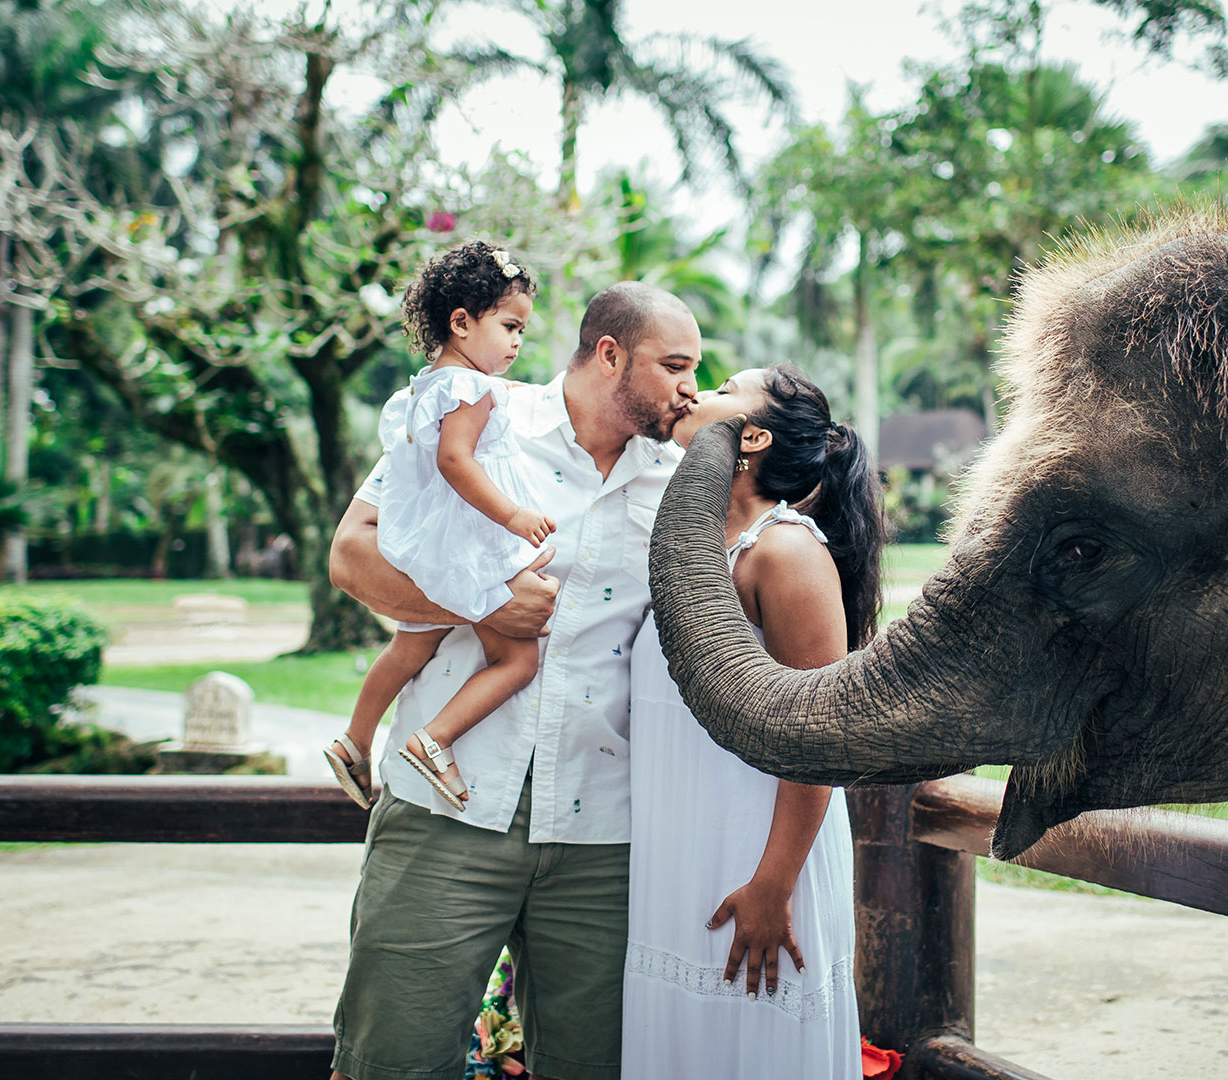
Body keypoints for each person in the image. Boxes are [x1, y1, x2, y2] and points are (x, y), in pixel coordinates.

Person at [326, 281, 702, 1080]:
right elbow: (351, 552)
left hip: (606, 834)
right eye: (673, 365)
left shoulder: (679, 482)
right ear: (609, 355)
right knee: (391, 1059)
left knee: (597, 1067)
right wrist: (481, 598)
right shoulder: (478, 417)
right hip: (447, 813)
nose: (689, 386)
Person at [622, 364, 884, 1077]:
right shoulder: (689, 545)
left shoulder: (786, 551)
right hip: (680, 856)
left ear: (753, 435)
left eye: (723, 389)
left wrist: (774, 886)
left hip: (759, 860)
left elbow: (822, 735)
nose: (695, 393)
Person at [324, 240, 551, 812]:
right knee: (519, 659)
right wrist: (513, 515)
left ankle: (354, 738)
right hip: (465, 542)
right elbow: (456, 460)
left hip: (423, 541)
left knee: (409, 646)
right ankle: (435, 739)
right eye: (509, 326)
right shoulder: (470, 389)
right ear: (461, 322)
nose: (518, 342)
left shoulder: (428, 385)